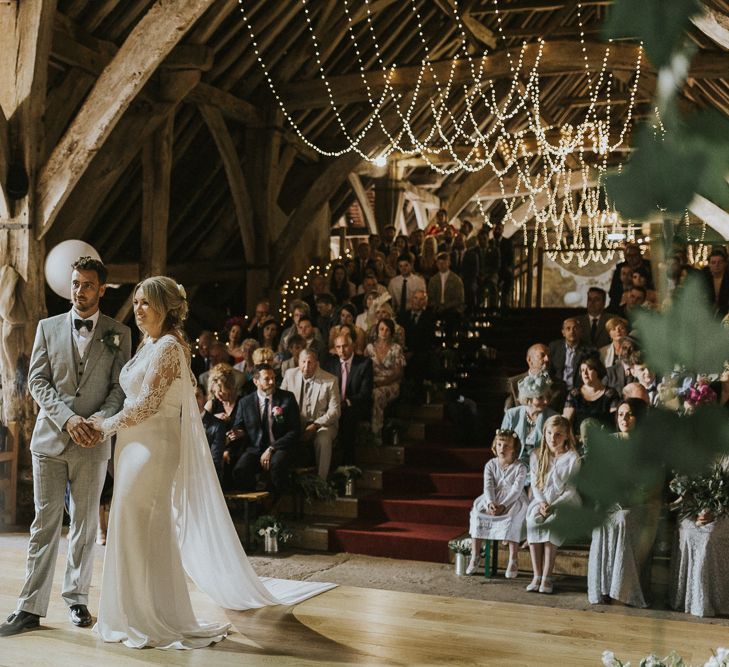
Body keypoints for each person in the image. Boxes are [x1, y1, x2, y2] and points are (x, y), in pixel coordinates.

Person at [87, 277, 332, 649]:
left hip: (153, 448)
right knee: (130, 525)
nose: (137, 309)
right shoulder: (147, 343)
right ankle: (128, 611)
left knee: (144, 526)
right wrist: (107, 424)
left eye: (145, 303)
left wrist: (105, 426)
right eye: (135, 302)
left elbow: (150, 405)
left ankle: (149, 616)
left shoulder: (170, 347)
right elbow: (131, 398)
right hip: (131, 445)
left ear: (166, 307)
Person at [0, 257, 131, 638]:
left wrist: (95, 422)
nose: (79, 291)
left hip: (93, 442)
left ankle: (76, 598)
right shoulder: (48, 327)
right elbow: (38, 381)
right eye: (75, 283)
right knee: (44, 522)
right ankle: (29, 607)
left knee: (86, 524)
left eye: (88, 284)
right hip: (51, 439)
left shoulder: (118, 332)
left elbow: (119, 388)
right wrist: (68, 419)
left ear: (101, 289)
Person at [587, 398, 658, 608]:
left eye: (629, 414)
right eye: (620, 414)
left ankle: (622, 589)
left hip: (639, 504)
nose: (624, 419)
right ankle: (604, 587)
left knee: (624, 519)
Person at [525, 415, 581, 595]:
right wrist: (541, 502)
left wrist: (553, 506)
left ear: (566, 436)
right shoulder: (537, 455)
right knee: (533, 520)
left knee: (553, 523)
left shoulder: (572, 458)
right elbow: (535, 483)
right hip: (542, 500)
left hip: (565, 502)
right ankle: (537, 574)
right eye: (549, 433)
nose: (552, 438)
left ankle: (547, 576)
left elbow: (570, 490)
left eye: (558, 435)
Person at [229, 363, 301, 500]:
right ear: (256, 381)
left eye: (273, 378)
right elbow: (239, 427)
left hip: (280, 447)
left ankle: (274, 506)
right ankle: (253, 506)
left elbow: (294, 431)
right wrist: (238, 433)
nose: (272, 382)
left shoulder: (287, 398)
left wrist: (272, 448)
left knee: (276, 465)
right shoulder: (245, 402)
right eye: (267, 379)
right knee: (240, 470)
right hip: (255, 448)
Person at [670, 457, 729, 617]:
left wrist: (714, 511)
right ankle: (687, 597)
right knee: (689, 532)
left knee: (709, 538)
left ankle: (713, 599)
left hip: (723, 511)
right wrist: (697, 510)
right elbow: (687, 491)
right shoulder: (697, 451)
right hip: (693, 508)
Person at [466, 430, 528, 578]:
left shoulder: (520, 467)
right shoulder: (490, 464)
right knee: (477, 511)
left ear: (513, 449)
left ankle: (513, 559)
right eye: (499, 444)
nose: (502, 448)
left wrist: (504, 505)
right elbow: (488, 486)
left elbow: (516, 490)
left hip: (513, 499)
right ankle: (475, 555)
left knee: (514, 516)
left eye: (506, 446)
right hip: (493, 497)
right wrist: (491, 503)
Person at [281, 348, 341, 479]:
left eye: (310, 362)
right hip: (297, 423)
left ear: (317, 363)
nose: (306, 366)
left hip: (322, 424)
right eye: (303, 362)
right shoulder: (289, 375)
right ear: (298, 362)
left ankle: (321, 482)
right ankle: (285, 480)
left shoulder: (330, 380)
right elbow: (280, 402)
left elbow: (335, 411)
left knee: (323, 440)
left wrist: (315, 425)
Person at [322, 334, 373, 465]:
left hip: (355, 405)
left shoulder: (364, 363)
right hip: (334, 405)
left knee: (347, 418)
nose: (341, 350)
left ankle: (348, 465)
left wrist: (346, 403)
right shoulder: (330, 363)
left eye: (345, 346)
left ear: (352, 346)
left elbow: (365, 393)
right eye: (338, 347)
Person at [501, 373, 558, 466]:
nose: (546, 401)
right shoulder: (511, 415)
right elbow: (502, 442)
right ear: (528, 399)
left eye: (547, 397)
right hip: (514, 465)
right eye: (540, 397)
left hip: (542, 465)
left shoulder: (552, 417)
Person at [365, 318, 406, 440]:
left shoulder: (396, 348)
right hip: (372, 382)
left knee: (377, 395)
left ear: (391, 332)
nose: (384, 332)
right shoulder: (369, 348)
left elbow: (399, 373)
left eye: (387, 330)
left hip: (391, 383)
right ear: (377, 330)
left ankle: (376, 433)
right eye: (381, 329)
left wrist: (382, 382)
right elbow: (363, 369)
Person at [563, 357, 618, 445]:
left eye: (589, 369)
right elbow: (566, 421)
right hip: (578, 442)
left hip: (603, 442)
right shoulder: (574, 394)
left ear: (598, 371)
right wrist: (573, 442)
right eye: (582, 370)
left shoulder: (610, 394)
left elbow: (615, 422)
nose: (584, 373)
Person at [548, 318, 594, 392]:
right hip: (557, 390)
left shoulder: (589, 349)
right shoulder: (554, 347)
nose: (572, 331)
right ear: (563, 332)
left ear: (581, 331)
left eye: (575, 328)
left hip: (580, 390)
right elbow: (549, 371)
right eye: (568, 328)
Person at [387, 255, 426, 320]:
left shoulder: (419, 281)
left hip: (413, 314)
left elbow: (423, 301)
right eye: (400, 266)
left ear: (411, 265)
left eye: (406, 265)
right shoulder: (393, 282)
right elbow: (391, 302)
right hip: (398, 314)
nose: (403, 268)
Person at [702, 247, 729, 318]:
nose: (716, 265)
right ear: (709, 265)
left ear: (725, 264)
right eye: (713, 262)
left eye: (720, 262)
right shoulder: (704, 277)